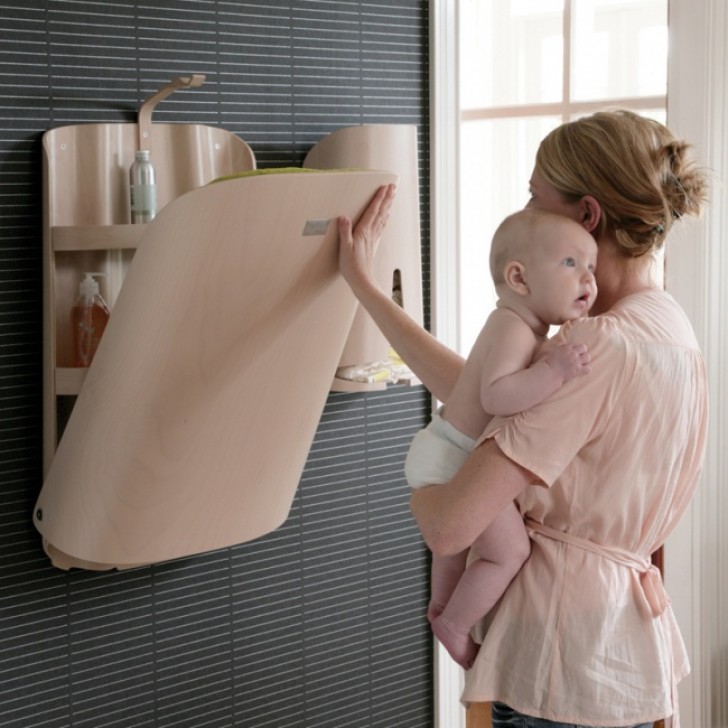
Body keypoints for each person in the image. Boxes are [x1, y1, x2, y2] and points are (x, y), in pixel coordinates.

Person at [337, 109, 708, 728]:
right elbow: (482, 395)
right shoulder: (673, 333)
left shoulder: (601, 345)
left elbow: (452, 526)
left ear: (586, 216)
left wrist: (425, 486)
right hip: (627, 658)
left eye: (536, 197)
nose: (525, 211)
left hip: (553, 668)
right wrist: (367, 289)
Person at [404, 208, 597, 670]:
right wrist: (553, 371)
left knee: (459, 542)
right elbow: (497, 395)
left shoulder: (517, 323)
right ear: (519, 278)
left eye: (592, 265)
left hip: (445, 446)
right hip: (455, 453)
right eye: (571, 264)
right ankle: (453, 624)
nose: (587, 277)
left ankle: (441, 606)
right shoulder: (514, 326)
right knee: (510, 552)